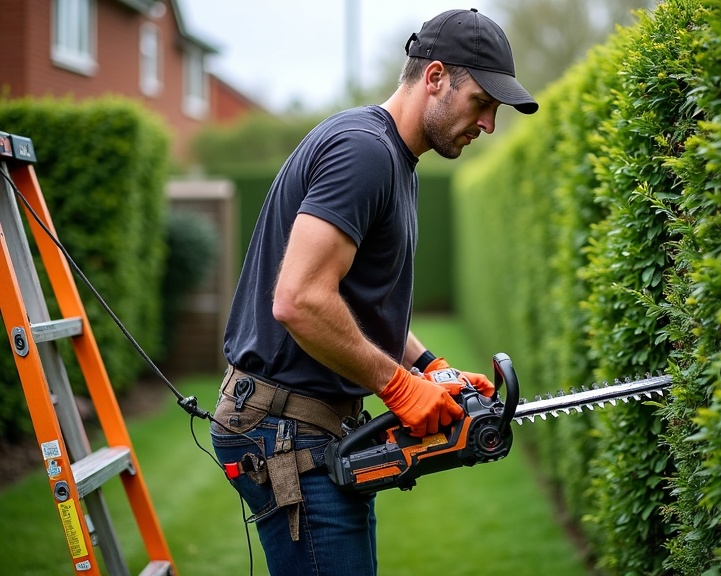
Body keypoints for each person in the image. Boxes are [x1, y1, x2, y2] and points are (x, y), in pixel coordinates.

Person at [209, 8, 537, 576]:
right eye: (482, 103)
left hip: (310, 424)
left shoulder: (393, 158)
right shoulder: (364, 152)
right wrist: (397, 387)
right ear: (435, 77)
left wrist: (430, 367)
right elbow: (300, 300)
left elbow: (355, 305)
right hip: (284, 431)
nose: (487, 125)